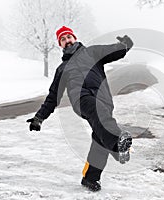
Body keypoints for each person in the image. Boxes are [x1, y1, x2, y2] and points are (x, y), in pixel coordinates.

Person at [26, 26, 133, 192]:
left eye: (69, 37)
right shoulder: (62, 69)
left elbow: (112, 51)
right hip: (82, 100)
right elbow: (53, 97)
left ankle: (90, 178)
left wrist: (124, 45)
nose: (67, 40)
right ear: (60, 44)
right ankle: (117, 145)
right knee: (101, 118)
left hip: (104, 101)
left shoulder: (92, 52)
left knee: (100, 139)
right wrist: (39, 117)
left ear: (74, 38)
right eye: (63, 39)